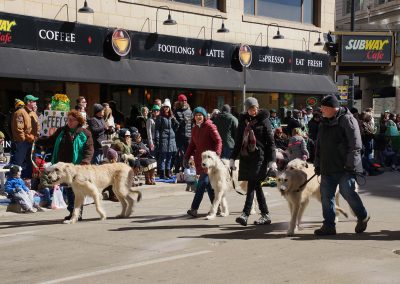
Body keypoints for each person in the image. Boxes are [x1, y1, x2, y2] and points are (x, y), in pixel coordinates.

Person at [314, 94, 370, 235]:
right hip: (327, 167)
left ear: (333, 108)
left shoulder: (347, 120)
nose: (321, 110)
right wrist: (317, 164)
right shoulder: (323, 123)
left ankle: (363, 216)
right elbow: (319, 146)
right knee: (326, 197)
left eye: (324, 107)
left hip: (345, 168)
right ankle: (328, 226)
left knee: (348, 193)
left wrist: (350, 165)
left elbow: (355, 146)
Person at [36, 110, 94, 221]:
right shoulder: (62, 131)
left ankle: (77, 212)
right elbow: (50, 141)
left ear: (78, 121)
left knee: (76, 190)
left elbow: (89, 150)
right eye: (68, 119)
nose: (69, 122)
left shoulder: (85, 133)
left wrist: (85, 162)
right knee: (68, 190)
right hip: (62, 167)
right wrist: (39, 141)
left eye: (72, 120)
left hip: (77, 166)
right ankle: (72, 210)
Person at [230, 97, 277, 226]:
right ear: (247, 109)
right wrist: (232, 158)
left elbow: (271, 142)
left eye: (254, 108)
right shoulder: (243, 121)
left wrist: (272, 160)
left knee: (251, 183)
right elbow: (238, 141)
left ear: (258, 107)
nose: (253, 111)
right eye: (250, 108)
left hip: (260, 157)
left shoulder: (264, 120)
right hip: (247, 157)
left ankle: (245, 214)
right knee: (256, 186)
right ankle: (265, 214)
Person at [186, 106, 222, 217]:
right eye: (196, 116)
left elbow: (218, 141)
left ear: (204, 116)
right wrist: (186, 156)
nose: (198, 117)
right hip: (200, 161)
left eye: (200, 115)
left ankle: (194, 208)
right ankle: (218, 208)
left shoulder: (210, 126)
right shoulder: (195, 129)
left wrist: (216, 155)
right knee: (208, 185)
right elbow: (192, 145)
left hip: (210, 162)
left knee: (202, 183)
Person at [10, 95, 40, 179]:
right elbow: (19, 129)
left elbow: (38, 125)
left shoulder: (33, 113)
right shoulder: (20, 112)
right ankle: (13, 181)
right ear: (29, 102)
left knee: (31, 162)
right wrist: (25, 139)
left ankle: (28, 181)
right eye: (34, 101)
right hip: (23, 142)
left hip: (32, 141)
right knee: (18, 163)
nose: (35, 103)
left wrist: (36, 136)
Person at [154, 99, 178, 179]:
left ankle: (168, 173)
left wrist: (174, 120)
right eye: (165, 107)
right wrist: (156, 140)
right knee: (163, 157)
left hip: (171, 139)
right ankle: (162, 173)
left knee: (169, 157)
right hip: (163, 138)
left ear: (170, 108)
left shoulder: (171, 116)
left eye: (167, 107)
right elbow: (157, 129)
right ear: (163, 107)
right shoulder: (160, 117)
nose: (166, 108)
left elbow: (176, 127)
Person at [173, 94, 192, 174]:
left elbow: (192, 124)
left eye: (185, 100)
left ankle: (186, 170)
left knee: (187, 153)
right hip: (179, 136)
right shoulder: (176, 111)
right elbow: (174, 124)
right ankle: (177, 170)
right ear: (179, 101)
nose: (184, 102)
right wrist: (182, 121)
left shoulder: (189, 111)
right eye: (182, 100)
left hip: (188, 136)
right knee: (178, 154)